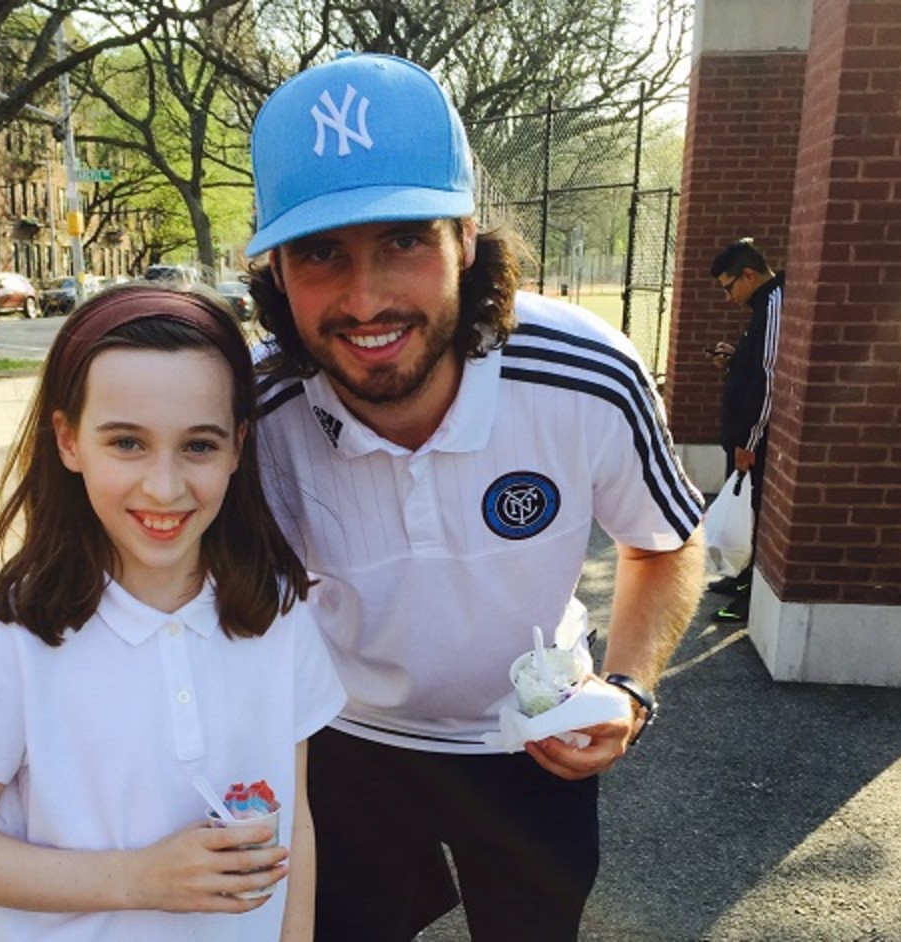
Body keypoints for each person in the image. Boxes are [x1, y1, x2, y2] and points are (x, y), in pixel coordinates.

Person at [244, 52, 706, 941]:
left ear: (465, 238)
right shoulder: (253, 408)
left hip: (535, 744)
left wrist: (630, 689)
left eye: (403, 240)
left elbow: (665, 541)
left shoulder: (586, 372)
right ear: (276, 274)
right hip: (346, 741)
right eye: (320, 254)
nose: (365, 297)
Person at [0, 283, 346, 940]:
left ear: (237, 446)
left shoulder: (280, 610)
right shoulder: (18, 630)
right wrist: (136, 879)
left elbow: (296, 820)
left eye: (198, 445)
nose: (164, 487)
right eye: (127, 444)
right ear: (68, 439)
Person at [706, 238, 783, 623]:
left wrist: (749, 442)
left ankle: (749, 599)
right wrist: (735, 361)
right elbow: (758, 366)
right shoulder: (763, 306)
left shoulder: (774, 305)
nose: (727, 296)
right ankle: (739, 577)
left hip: (756, 440)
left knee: (753, 512)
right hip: (744, 436)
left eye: (728, 286)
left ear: (748, 275)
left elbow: (770, 381)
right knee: (744, 508)